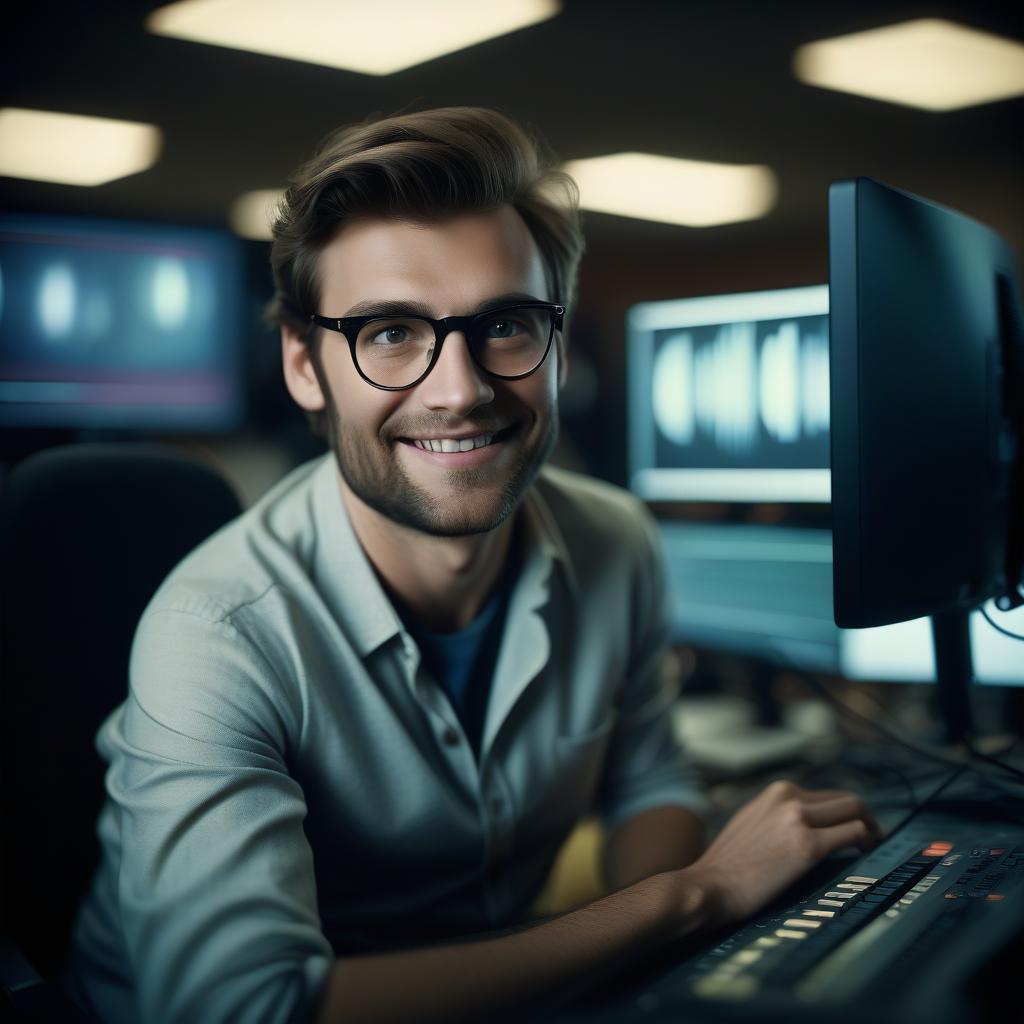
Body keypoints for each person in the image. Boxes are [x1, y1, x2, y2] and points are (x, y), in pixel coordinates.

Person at [66, 107, 882, 1024]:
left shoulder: (617, 541)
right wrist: (692, 898)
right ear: (304, 366)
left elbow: (647, 782)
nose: (459, 391)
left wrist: (665, 957)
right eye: (389, 334)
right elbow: (248, 1009)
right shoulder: (215, 634)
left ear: (559, 345)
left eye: (506, 325)